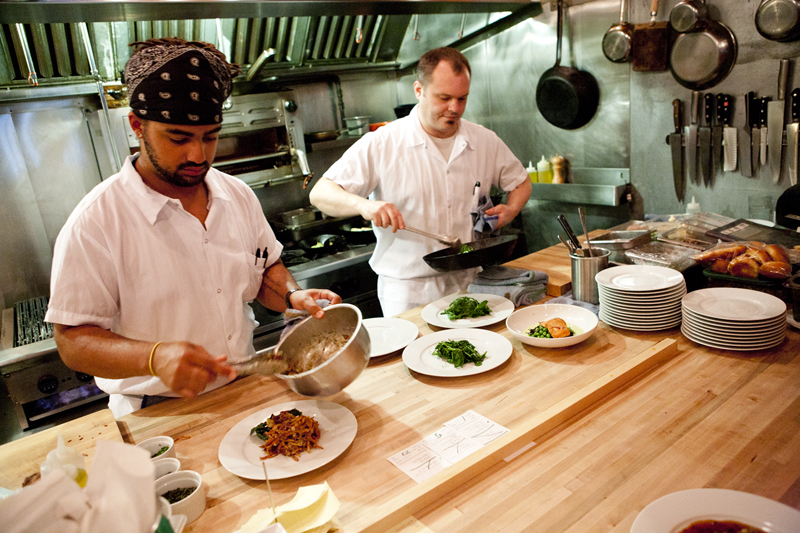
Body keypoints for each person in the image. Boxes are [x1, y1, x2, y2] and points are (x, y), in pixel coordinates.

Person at [45, 38, 341, 417]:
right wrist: (154, 357)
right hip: (157, 413)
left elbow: (264, 270)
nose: (198, 156)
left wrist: (291, 296)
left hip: (245, 390)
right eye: (179, 138)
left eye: (211, 137)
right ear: (137, 125)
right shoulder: (95, 223)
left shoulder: (236, 195)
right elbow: (73, 342)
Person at [309, 47, 531, 317]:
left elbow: (520, 183)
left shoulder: (483, 140)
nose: (455, 108)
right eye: (444, 98)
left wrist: (511, 210)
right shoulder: (384, 142)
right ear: (418, 90)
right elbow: (320, 194)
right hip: (407, 291)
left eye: (462, 99)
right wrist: (363, 206)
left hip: (470, 281)